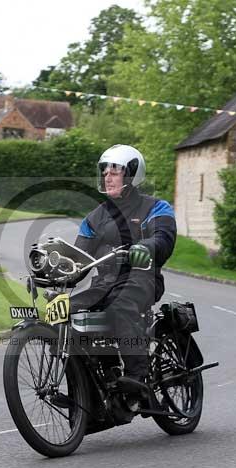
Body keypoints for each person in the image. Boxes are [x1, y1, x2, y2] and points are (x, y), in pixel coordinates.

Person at [71, 144, 177, 391]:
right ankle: (91, 387)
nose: (107, 176)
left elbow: (164, 237)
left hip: (142, 280)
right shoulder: (94, 218)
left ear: (131, 174)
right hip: (104, 284)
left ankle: (136, 378)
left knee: (118, 305)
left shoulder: (156, 207)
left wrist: (146, 247)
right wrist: (54, 271)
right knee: (70, 313)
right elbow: (79, 257)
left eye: (115, 171)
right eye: (104, 171)